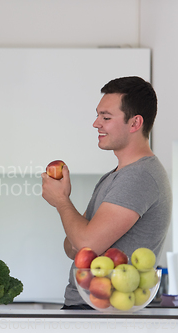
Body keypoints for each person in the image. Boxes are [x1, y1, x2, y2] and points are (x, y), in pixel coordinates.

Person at [41, 76, 172, 309]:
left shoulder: (139, 176)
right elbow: (73, 248)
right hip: (93, 309)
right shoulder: (115, 176)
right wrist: (79, 233)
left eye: (106, 117)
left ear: (135, 123)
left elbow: (84, 244)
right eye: (98, 115)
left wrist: (61, 201)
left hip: (107, 312)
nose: (96, 123)